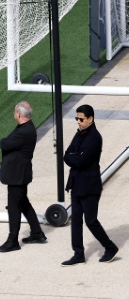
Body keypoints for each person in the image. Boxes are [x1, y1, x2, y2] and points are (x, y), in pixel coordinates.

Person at [61, 104, 118, 266]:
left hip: (90, 187)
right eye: (77, 119)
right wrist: (74, 157)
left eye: (81, 119)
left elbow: (78, 160)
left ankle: (110, 247)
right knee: (77, 220)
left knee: (91, 220)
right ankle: (78, 253)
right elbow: (67, 155)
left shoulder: (94, 137)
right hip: (77, 184)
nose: (78, 122)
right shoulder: (79, 134)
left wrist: (74, 157)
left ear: (90, 119)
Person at [0, 101, 46, 253]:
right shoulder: (25, 128)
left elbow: (4, 144)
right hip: (19, 173)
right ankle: (37, 233)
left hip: (17, 175)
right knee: (23, 203)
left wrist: (3, 141)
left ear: (18, 114)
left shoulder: (24, 132)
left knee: (14, 207)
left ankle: (12, 241)